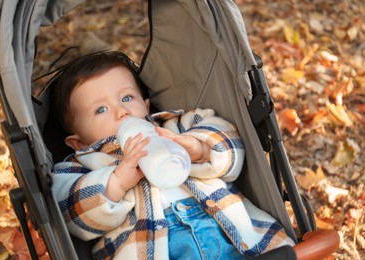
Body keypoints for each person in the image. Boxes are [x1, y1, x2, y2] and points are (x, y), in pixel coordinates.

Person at [50, 51, 295, 259]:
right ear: (78, 142)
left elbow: (230, 140)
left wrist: (200, 149)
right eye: (100, 109)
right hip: (154, 246)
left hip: (227, 229)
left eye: (126, 98)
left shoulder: (176, 127)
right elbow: (70, 213)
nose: (122, 112)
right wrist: (117, 181)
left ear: (146, 107)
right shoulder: (82, 165)